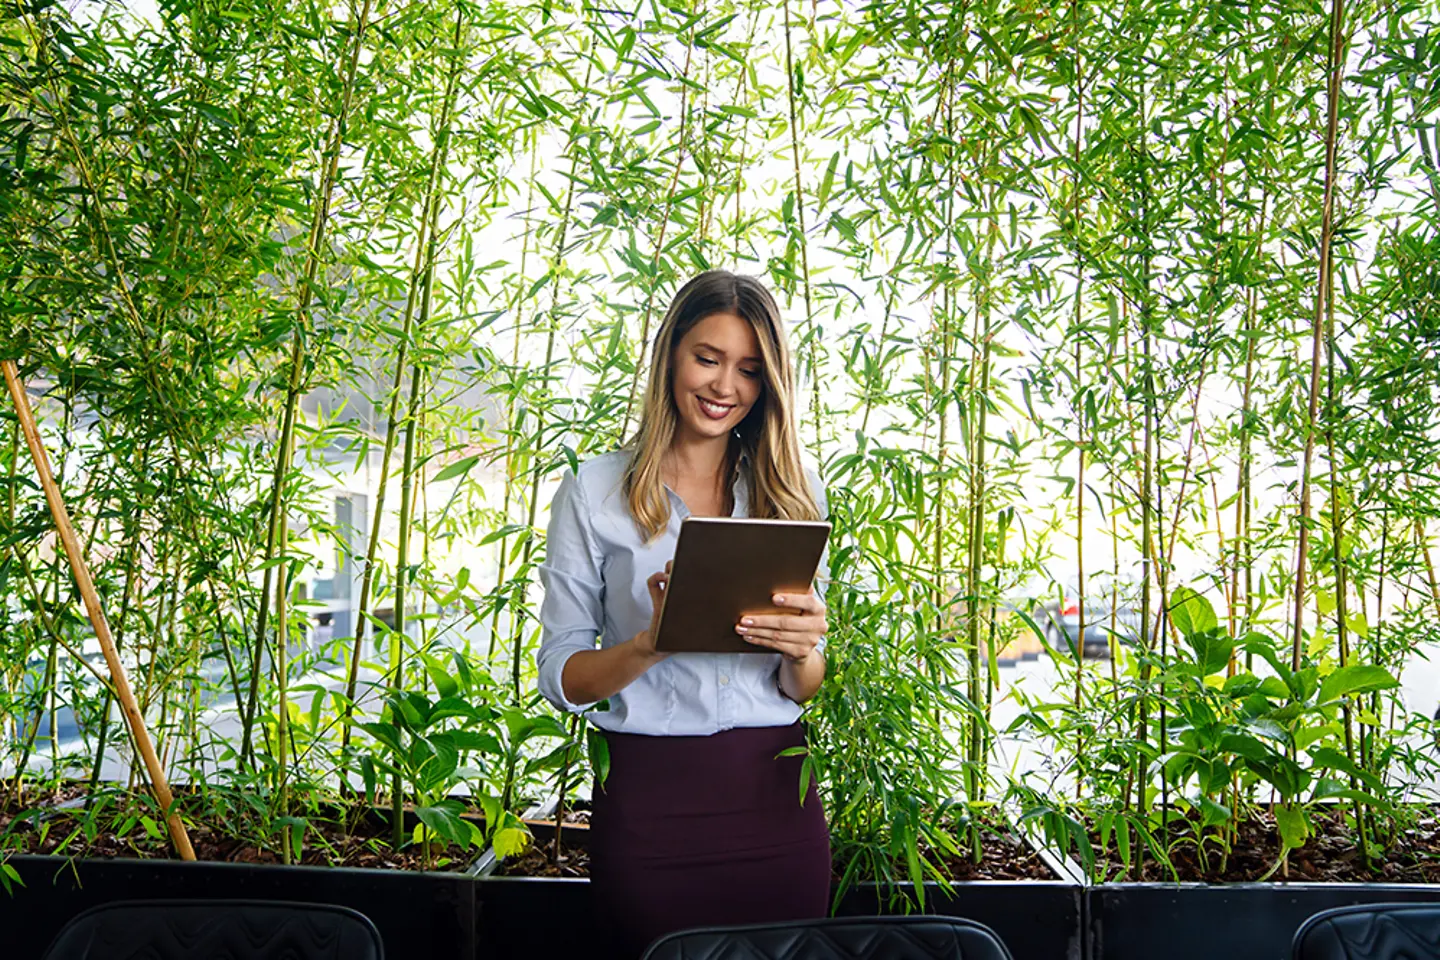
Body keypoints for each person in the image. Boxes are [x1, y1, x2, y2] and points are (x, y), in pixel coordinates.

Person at [536, 270, 832, 958]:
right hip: (650, 807)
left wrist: (802, 650)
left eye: (750, 370)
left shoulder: (792, 491)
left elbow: (802, 686)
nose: (725, 386)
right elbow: (562, 676)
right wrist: (650, 643)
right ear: (670, 353)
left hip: (776, 798)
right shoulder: (592, 492)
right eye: (707, 358)